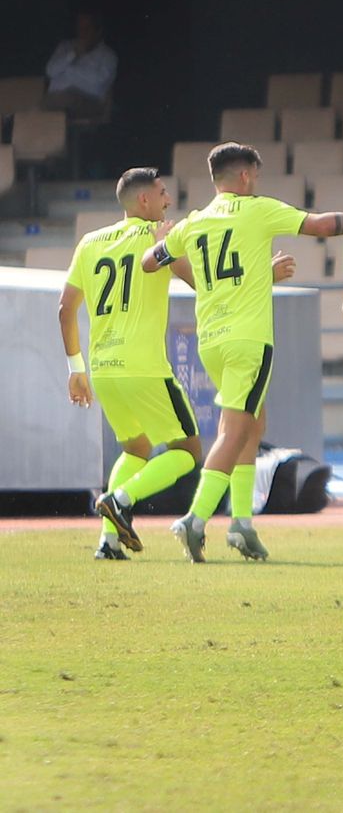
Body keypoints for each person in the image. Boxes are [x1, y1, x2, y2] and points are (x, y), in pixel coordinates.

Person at [143, 143, 343, 562]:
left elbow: (149, 262)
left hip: (210, 340)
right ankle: (196, 517)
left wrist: (168, 247)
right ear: (245, 175)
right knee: (235, 430)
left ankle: (242, 523)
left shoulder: (194, 222)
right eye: (256, 175)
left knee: (253, 424)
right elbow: (322, 225)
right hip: (247, 339)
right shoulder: (258, 209)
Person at [58, 169, 202, 559]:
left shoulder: (90, 242)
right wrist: (167, 248)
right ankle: (120, 499)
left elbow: (66, 308)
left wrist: (75, 368)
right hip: (145, 367)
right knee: (188, 451)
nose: (168, 200)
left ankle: (108, 541)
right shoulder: (158, 237)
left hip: (103, 367)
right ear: (144, 200)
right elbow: (197, 282)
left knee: (136, 448)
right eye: (163, 193)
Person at [44, 12, 116, 118]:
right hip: (57, 98)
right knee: (43, 106)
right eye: (79, 28)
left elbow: (98, 83)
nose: (82, 33)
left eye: (87, 29)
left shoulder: (107, 55)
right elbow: (50, 71)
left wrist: (67, 70)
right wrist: (73, 54)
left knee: (55, 103)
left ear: (98, 31)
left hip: (89, 102)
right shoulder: (65, 46)